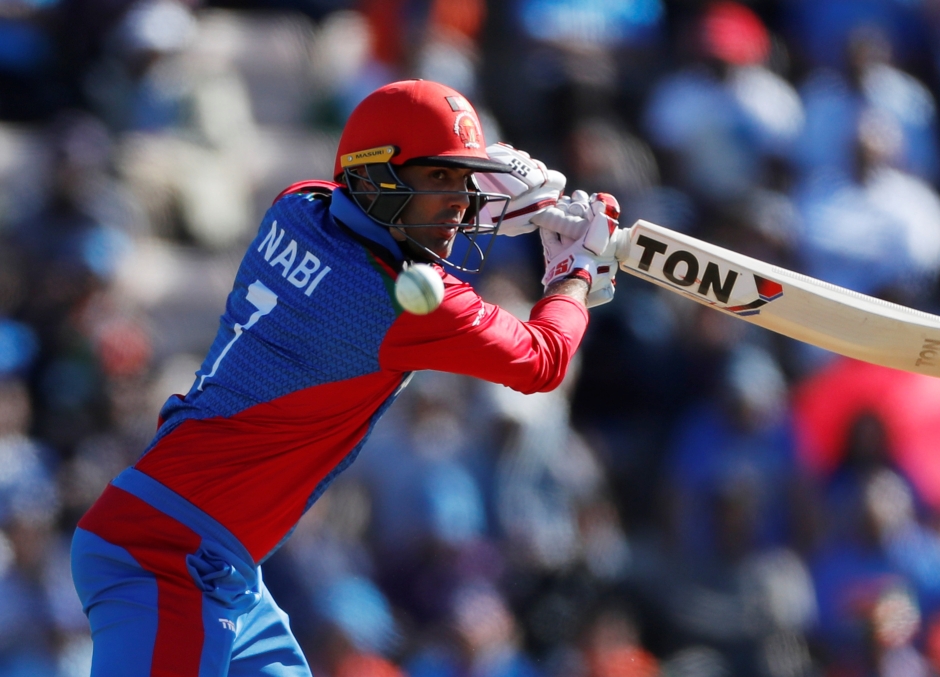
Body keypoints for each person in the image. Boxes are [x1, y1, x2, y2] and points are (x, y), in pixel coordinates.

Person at [69, 79, 620, 676]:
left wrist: (476, 184)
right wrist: (572, 271)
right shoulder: (393, 303)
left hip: (212, 557)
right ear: (374, 176)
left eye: (463, 181)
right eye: (438, 179)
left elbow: (355, 207)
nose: (459, 202)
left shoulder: (296, 205)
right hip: (163, 555)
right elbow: (544, 361)